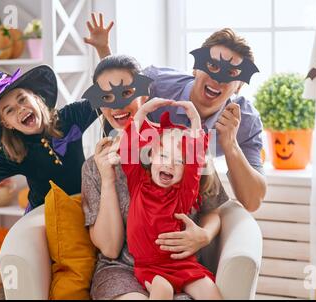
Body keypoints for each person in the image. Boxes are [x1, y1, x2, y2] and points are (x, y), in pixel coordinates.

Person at [85, 13, 267, 212]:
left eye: (231, 73)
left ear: (240, 86)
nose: (217, 79)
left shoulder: (244, 120)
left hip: (185, 195)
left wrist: (230, 144)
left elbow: (252, 202)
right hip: (139, 183)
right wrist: (104, 51)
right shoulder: (156, 84)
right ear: (196, 68)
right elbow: (118, 87)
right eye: (212, 66)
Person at [81, 54, 228, 300]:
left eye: (126, 94)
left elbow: (212, 208)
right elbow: (110, 247)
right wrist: (107, 180)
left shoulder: (182, 143)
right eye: (106, 98)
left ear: (144, 95)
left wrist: (204, 235)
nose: (116, 106)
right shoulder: (94, 166)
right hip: (122, 272)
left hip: (181, 266)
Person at [0, 57, 98, 211]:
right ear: (6, 123)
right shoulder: (13, 153)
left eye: (22, 99)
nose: (20, 108)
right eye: (9, 110)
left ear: (35, 97)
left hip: (85, 205)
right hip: (44, 216)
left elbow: (107, 95)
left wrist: (103, 48)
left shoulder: (70, 117)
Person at [119, 97, 222, 300]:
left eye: (179, 161)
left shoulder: (183, 194)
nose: (170, 165)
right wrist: (142, 112)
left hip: (182, 263)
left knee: (211, 292)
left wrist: (194, 120)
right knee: (163, 290)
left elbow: (196, 162)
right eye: (164, 156)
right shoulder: (138, 183)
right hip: (149, 266)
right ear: (151, 155)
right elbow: (127, 149)